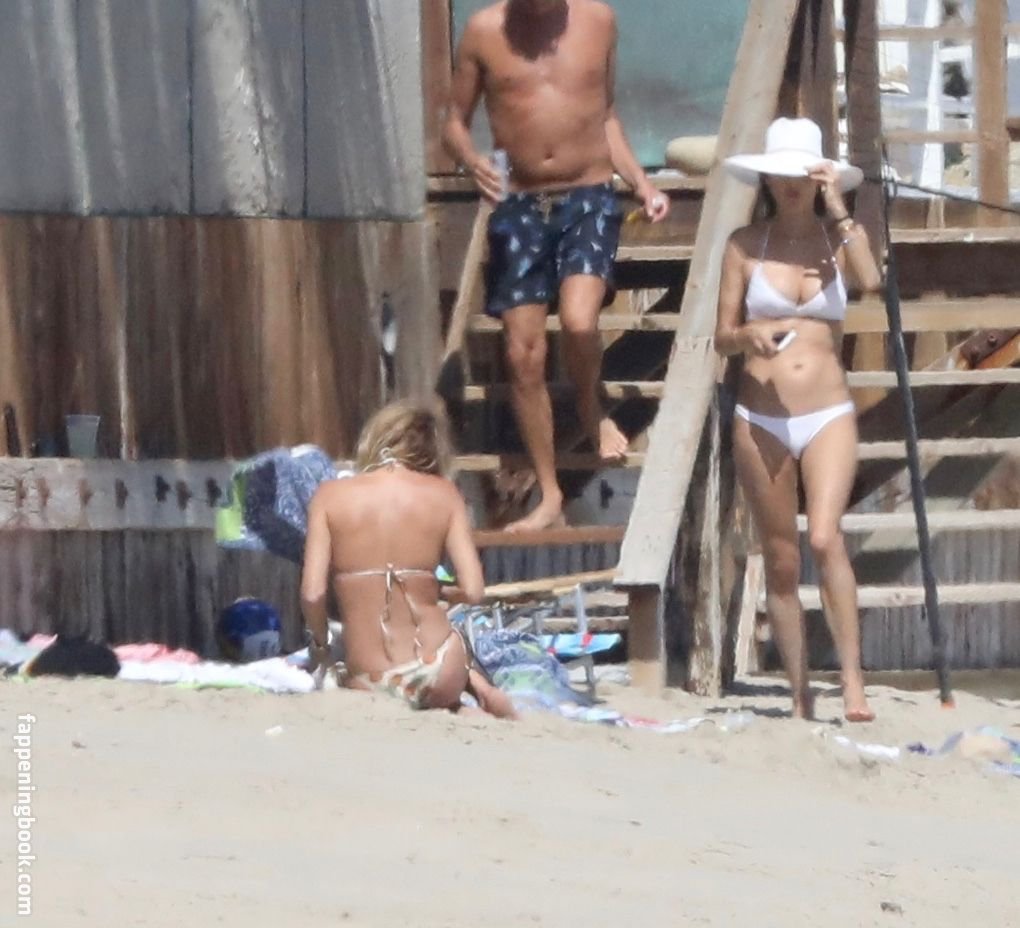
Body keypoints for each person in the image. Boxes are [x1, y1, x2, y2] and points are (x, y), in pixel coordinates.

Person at [443, 0, 670, 532]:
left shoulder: (599, 20)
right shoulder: (483, 31)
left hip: (588, 195)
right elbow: (453, 123)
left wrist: (642, 184)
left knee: (578, 320)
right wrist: (473, 161)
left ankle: (591, 407)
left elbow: (606, 115)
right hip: (519, 203)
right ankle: (548, 494)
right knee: (523, 354)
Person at [714, 118, 883, 722]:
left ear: (818, 179)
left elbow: (871, 281)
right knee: (782, 557)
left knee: (824, 537)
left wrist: (838, 205)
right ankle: (800, 692)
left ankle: (853, 682)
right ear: (766, 178)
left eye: (802, 175)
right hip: (761, 414)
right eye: (780, 174)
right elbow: (721, 335)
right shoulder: (743, 244)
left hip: (827, 411)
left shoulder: (839, 239)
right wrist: (748, 337)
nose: (790, 184)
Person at [300, 400, 516, 719]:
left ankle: (467, 700)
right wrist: (439, 592)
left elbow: (312, 594)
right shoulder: (445, 494)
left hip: (369, 677)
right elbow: (473, 591)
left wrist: (321, 646)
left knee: (353, 676)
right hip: (438, 666)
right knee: (451, 653)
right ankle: (480, 693)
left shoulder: (329, 496)